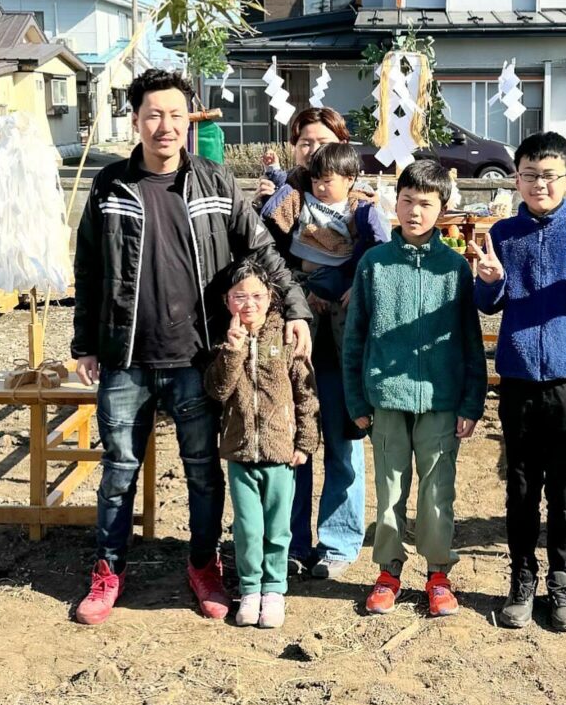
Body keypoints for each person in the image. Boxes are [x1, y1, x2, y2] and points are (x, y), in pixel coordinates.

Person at [71, 68, 312, 626]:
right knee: (119, 471)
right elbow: (88, 268)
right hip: (126, 359)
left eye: (176, 114)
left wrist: (295, 307)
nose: (165, 125)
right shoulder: (110, 185)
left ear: (189, 120)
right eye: (154, 114)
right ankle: (108, 571)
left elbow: (262, 251)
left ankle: (204, 564)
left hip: (198, 359)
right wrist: (85, 342)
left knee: (203, 471)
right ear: (135, 120)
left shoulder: (215, 182)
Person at [472, 131, 566, 632]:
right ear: (516, 178)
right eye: (530, 174)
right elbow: (488, 301)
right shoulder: (505, 234)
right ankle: (521, 577)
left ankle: (562, 579)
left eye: (549, 175)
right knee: (520, 486)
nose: (539, 184)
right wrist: (490, 281)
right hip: (517, 379)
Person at [342, 160, 487, 617]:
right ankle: (388, 571)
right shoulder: (375, 264)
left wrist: (471, 401)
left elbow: (469, 341)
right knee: (389, 489)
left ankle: (438, 574)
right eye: (406, 201)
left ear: (442, 208)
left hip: (441, 399)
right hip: (386, 400)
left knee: (437, 490)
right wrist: (356, 398)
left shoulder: (455, 270)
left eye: (425, 204)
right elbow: (355, 337)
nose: (414, 212)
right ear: (395, 203)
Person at [256, 110, 371, 580]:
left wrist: (339, 284)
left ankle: (340, 542)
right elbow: (260, 255)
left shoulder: (358, 202)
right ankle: (293, 541)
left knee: (343, 439)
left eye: (322, 141)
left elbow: (371, 252)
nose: (312, 149)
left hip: (341, 338)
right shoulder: (285, 198)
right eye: (304, 142)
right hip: (290, 331)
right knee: (292, 439)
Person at [203, 261, 319, 629]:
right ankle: (250, 589)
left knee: (278, 526)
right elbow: (217, 390)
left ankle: (275, 589)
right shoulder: (225, 342)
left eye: (257, 296)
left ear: (271, 298)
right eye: (240, 297)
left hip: (279, 452)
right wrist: (232, 352)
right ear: (227, 301)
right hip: (240, 451)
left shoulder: (285, 338)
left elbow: (306, 392)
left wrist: (305, 439)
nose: (249, 304)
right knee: (248, 527)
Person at [260, 142, 390, 328]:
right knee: (301, 330)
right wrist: (273, 170)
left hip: (344, 283)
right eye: (315, 181)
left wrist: (359, 285)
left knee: (346, 330)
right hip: (301, 281)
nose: (320, 188)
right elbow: (285, 192)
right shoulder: (304, 198)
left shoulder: (360, 209)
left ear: (349, 179)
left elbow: (379, 248)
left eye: (327, 182)